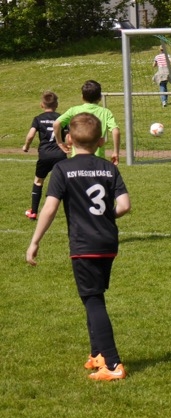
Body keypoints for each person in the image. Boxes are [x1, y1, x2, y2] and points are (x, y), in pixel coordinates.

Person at [26, 112, 131, 381]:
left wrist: (35, 241)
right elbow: (125, 205)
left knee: (93, 299)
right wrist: (107, 216)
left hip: (84, 243)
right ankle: (97, 354)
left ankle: (113, 364)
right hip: (108, 241)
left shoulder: (63, 169)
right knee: (93, 295)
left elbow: (49, 208)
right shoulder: (109, 168)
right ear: (101, 141)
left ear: (69, 140)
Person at [22, 91, 68, 220]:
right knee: (65, 183)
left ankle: (33, 212)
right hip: (60, 155)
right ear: (57, 104)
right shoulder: (62, 118)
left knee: (38, 181)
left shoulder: (38, 119)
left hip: (44, 155)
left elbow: (30, 135)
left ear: (42, 105)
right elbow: (68, 135)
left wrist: (26, 146)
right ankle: (73, 210)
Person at [53, 80, 120, 165]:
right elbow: (116, 131)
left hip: (77, 159)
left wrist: (59, 142)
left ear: (82, 97)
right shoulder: (105, 112)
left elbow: (56, 124)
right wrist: (115, 152)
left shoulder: (74, 110)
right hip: (97, 159)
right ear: (100, 97)